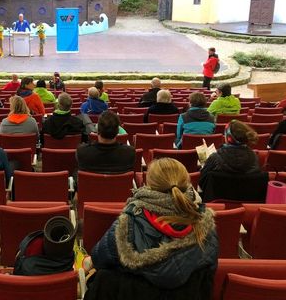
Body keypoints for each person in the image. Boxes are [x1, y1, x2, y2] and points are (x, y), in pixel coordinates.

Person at [86, 158, 218, 299]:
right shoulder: (207, 231)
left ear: (148, 186)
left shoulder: (126, 225)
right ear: (187, 185)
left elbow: (98, 259)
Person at [200, 120, 260, 192]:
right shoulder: (254, 157)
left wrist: (205, 163)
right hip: (246, 199)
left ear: (228, 138)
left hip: (217, 199)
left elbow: (201, 181)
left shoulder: (215, 158)